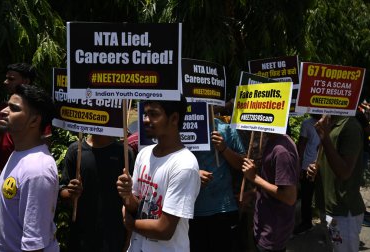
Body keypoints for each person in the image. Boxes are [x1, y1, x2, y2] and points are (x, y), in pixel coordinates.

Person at [117, 96, 200, 252]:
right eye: (145, 114)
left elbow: (165, 229)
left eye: (154, 114)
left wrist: (130, 224)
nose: (146, 120)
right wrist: (127, 195)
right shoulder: (144, 154)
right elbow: (136, 207)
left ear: (174, 118)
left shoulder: (184, 165)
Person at [0, 84, 59, 251]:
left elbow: (34, 244)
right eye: (7, 105)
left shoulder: (37, 170)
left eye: (14, 109)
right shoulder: (19, 154)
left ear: (34, 121)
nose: (4, 111)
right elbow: (6, 205)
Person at [59, 134, 135, 252]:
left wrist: (128, 240)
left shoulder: (125, 153)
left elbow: (132, 205)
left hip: (114, 240)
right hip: (80, 238)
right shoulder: (76, 150)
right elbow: (62, 190)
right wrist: (71, 192)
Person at [189, 109, 245, 252]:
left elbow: (242, 164)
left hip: (223, 209)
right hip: (191, 211)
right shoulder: (180, 129)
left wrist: (224, 148)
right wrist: (194, 175)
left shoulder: (225, 129)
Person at [307, 115, 365, 252]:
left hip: (343, 211)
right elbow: (329, 159)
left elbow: (344, 172)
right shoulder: (328, 122)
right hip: (327, 207)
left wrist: (325, 137)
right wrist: (316, 168)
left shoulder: (350, 126)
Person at [242, 133, 299, 252]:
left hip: (273, 231)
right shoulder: (272, 139)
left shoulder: (282, 151)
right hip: (264, 224)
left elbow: (290, 197)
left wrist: (254, 178)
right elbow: (272, 181)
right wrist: (253, 193)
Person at [293, 114, 321, 235]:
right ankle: (306, 222)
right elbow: (302, 144)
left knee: (321, 195)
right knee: (306, 196)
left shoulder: (330, 121)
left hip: (323, 166)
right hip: (307, 166)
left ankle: (325, 221)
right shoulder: (307, 123)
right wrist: (299, 166)